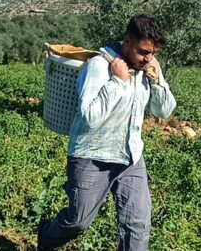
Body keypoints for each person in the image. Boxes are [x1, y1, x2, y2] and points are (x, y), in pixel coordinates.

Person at [38, 14, 177, 250]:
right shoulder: (99, 66)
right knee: (77, 221)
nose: (149, 59)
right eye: (144, 52)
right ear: (127, 41)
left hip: (130, 157)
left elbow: (164, 111)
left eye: (154, 53)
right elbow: (89, 117)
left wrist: (157, 81)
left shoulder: (148, 67)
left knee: (138, 223)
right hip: (93, 157)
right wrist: (117, 82)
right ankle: (46, 237)